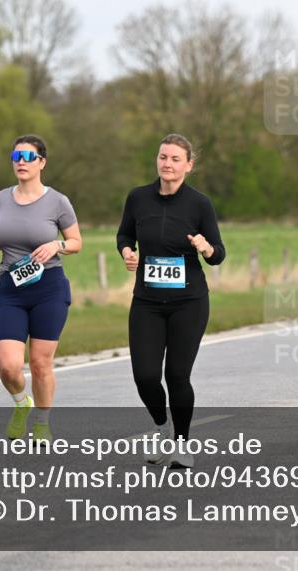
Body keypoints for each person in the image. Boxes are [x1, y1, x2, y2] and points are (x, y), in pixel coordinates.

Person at [117, 133, 225, 469]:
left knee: (177, 375)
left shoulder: (199, 204)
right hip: (147, 302)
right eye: (163, 157)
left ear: (188, 166)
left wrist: (206, 248)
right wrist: (126, 251)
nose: (168, 163)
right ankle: (161, 428)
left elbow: (218, 254)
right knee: (145, 376)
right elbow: (124, 234)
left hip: (188, 302)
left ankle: (181, 444)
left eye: (176, 159)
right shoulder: (138, 198)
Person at [0, 135, 82, 443]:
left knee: (40, 363)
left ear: (42, 162)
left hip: (48, 288)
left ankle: (42, 422)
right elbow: (1, 233)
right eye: (16, 156)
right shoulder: (1, 198)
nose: (22, 162)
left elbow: (77, 242)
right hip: (11, 289)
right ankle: (21, 403)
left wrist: (57, 244)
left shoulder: (58, 201)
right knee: (8, 366)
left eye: (28, 156)